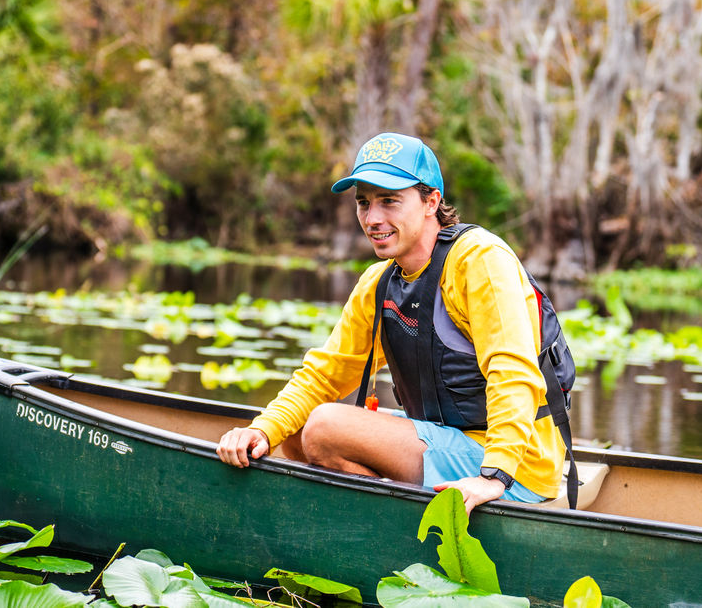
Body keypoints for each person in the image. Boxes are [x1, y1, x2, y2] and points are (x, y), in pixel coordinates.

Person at [216, 132, 567, 513]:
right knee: (295, 432)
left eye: (389, 201)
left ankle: (384, 525)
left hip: (514, 466)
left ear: (431, 201)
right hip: (450, 441)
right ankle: (385, 525)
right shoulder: (379, 281)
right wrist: (262, 429)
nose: (373, 219)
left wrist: (493, 475)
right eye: (364, 203)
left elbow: (511, 370)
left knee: (324, 427)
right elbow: (326, 374)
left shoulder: (479, 259)